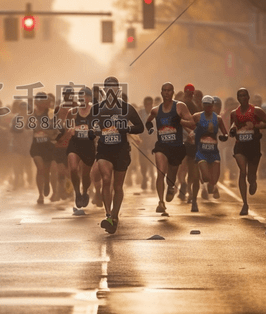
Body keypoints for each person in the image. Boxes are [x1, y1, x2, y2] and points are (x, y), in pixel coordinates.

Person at [91, 77, 144, 233]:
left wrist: (126, 129)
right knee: (106, 179)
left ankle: (115, 216)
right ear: (104, 90)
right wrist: (94, 132)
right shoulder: (98, 108)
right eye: (108, 87)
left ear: (118, 90)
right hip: (104, 150)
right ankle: (108, 215)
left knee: (117, 185)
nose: (111, 90)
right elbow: (90, 127)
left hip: (121, 150)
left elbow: (140, 127)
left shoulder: (126, 108)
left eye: (114, 87)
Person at [145, 83, 195, 214]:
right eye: (164, 91)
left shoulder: (180, 106)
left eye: (169, 91)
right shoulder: (156, 110)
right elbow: (148, 120)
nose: (166, 93)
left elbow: (192, 123)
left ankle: (171, 187)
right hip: (162, 146)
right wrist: (150, 128)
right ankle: (161, 202)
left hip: (177, 147)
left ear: (173, 92)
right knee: (160, 172)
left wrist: (181, 122)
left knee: (170, 177)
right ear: (161, 93)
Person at [229, 88, 266, 216]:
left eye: (244, 95)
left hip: (253, 145)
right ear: (238, 98)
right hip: (240, 146)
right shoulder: (234, 113)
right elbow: (233, 126)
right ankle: (244, 204)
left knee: (251, 176)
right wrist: (232, 130)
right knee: (243, 172)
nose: (242, 98)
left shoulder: (256, 111)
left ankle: (253, 181)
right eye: (240, 96)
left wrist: (256, 126)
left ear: (248, 97)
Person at [191, 95, 229, 211]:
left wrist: (224, 137)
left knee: (213, 181)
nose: (208, 107)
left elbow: (224, 132)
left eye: (210, 105)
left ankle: (211, 187)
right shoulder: (197, 117)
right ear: (202, 105)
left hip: (213, 151)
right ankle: (202, 187)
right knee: (206, 177)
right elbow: (190, 126)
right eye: (205, 105)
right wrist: (191, 134)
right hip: (201, 151)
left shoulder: (218, 119)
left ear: (212, 106)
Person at [63, 87, 96, 208]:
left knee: (86, 175)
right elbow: (67, 125)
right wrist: (70, 129)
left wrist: (93, 130)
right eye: (80, 95)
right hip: (75, 144)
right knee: (73, 168)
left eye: (84, 96)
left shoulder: (95, 111)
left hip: (88, 145)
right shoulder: (72, 111)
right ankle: (77, 192)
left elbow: (99, 125)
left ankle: (85, 191)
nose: (82, 98)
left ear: (89, 98)